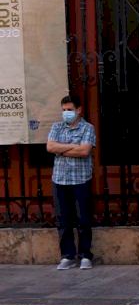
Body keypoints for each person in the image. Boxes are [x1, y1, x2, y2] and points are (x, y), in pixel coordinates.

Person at [47, 95, 96, 270]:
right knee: (63, 220)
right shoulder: (57, 127)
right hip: (60, 180)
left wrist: (61, 149)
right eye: (64, 110)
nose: (66, 113)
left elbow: (84, 151)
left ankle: (85, 255)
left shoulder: (88, 128)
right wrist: (74, 146)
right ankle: (67, 256)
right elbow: (50, 147)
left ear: (79, 110)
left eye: (70, 110)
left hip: (80, 179)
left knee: (83, 219)